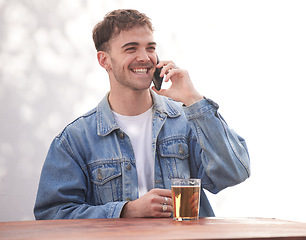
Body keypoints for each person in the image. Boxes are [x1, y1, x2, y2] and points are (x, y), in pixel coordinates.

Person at [34, 9, 250, 219]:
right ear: (104, 60)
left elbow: (234, 172)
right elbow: (52, 215)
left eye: (150, 47)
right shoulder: (75, 140)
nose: (145, 57)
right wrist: (126, 211)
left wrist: (193, 100)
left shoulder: (186, 122)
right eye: (131, 49)